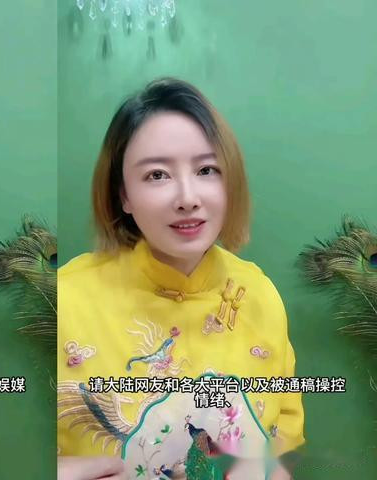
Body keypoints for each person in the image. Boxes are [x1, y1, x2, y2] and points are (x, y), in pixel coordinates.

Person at [57, 78, 304, 480]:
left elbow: (275, 454)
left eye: (207, 169)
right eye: (157, 175)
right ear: (123, 195)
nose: (188, 198)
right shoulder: (67, 298)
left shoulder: (258, 294)